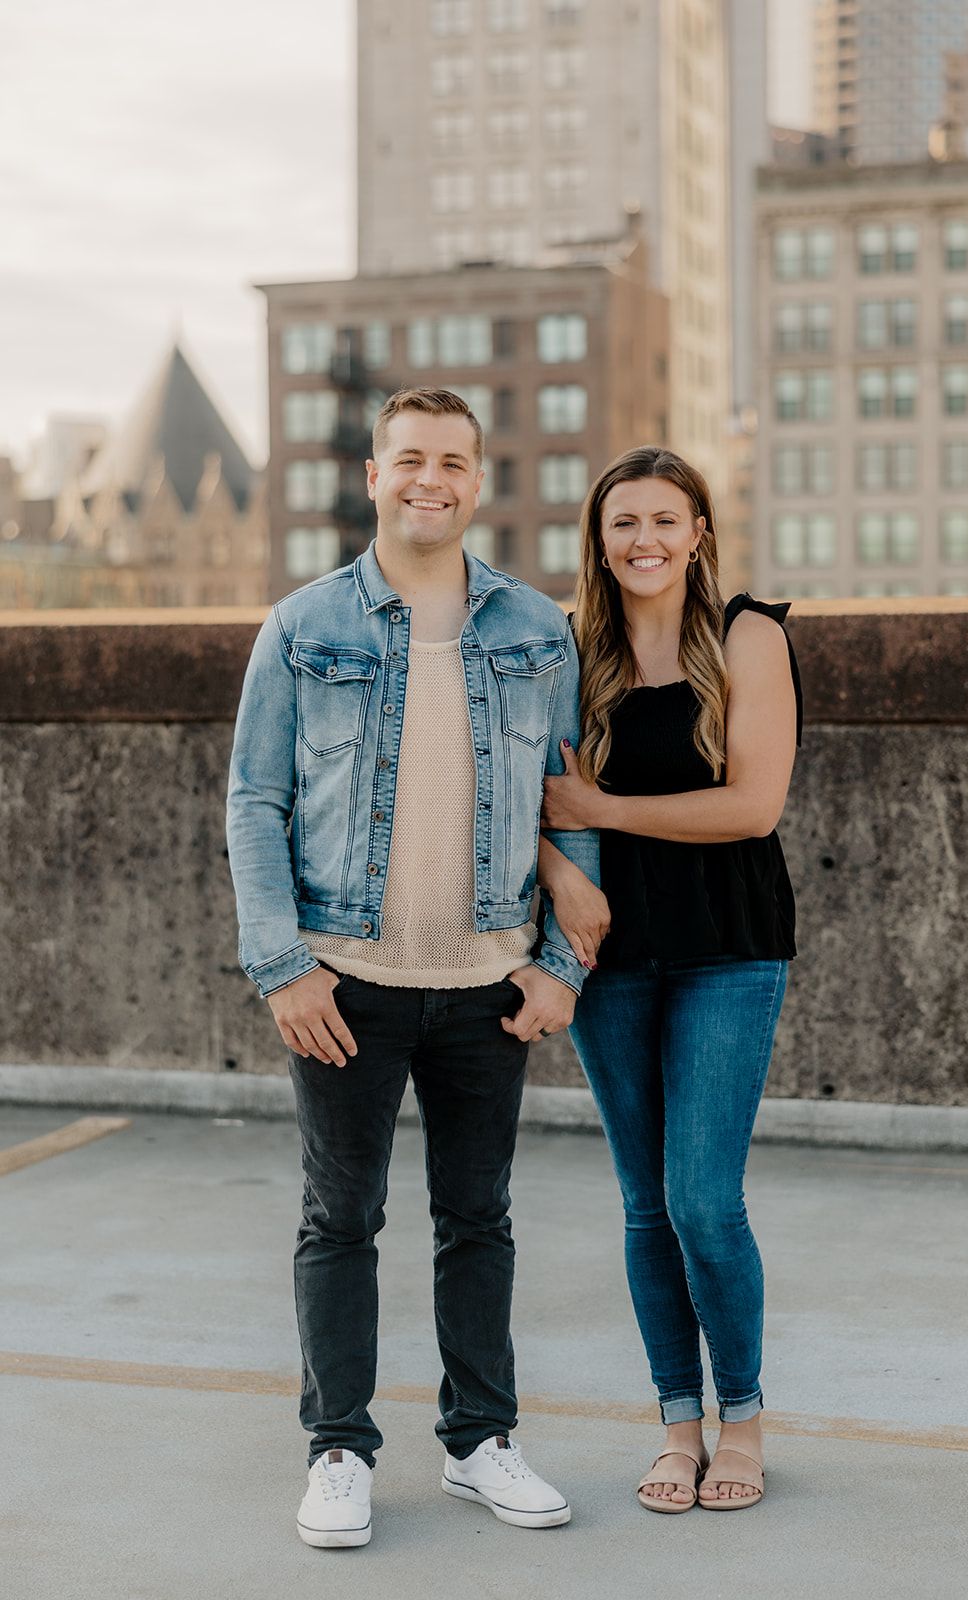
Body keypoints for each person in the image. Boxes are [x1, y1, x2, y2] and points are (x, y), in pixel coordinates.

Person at [226, 387, 597, 1547]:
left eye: (451, 461)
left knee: (476, 1219)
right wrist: (284, 966)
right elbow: (255, 801)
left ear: (477, 480)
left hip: (491, 982)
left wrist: (557, 969)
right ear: (375, 474)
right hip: (345, 981)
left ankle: (479, 1441)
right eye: (408, 459)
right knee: (340, 1219)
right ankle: (337, 1449)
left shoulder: (537, 628)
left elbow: (567, 805)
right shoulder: (303, 625)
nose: (428, 478)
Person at [538, 445, 801, 1514]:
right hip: (609, 959)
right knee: (645, 1206)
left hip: (728, 947)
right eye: (620, 524)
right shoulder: (566, 653)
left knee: (701, 1196)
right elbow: (529, 805)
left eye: (663, 519)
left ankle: (740, 1416)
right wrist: (559, 861)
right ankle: (676, 1426)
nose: (642, 540)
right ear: (596, 542)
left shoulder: (747, 635)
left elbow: (750, 807)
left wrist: (597, 812)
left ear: (697, 530)